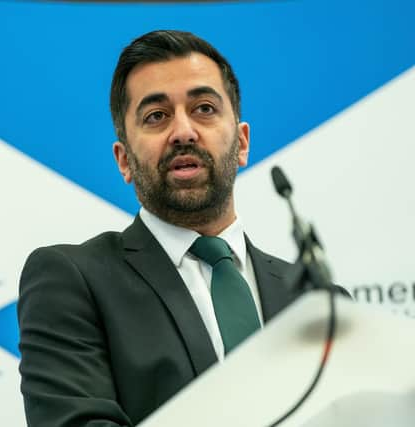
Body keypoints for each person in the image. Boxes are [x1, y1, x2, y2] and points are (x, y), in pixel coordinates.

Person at [17, 30, 299, 427]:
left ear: (242, 143)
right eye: (156, 116)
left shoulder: (314, 299)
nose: (183, 131)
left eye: (203, 108)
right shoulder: (74, 279)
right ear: (124, 160)